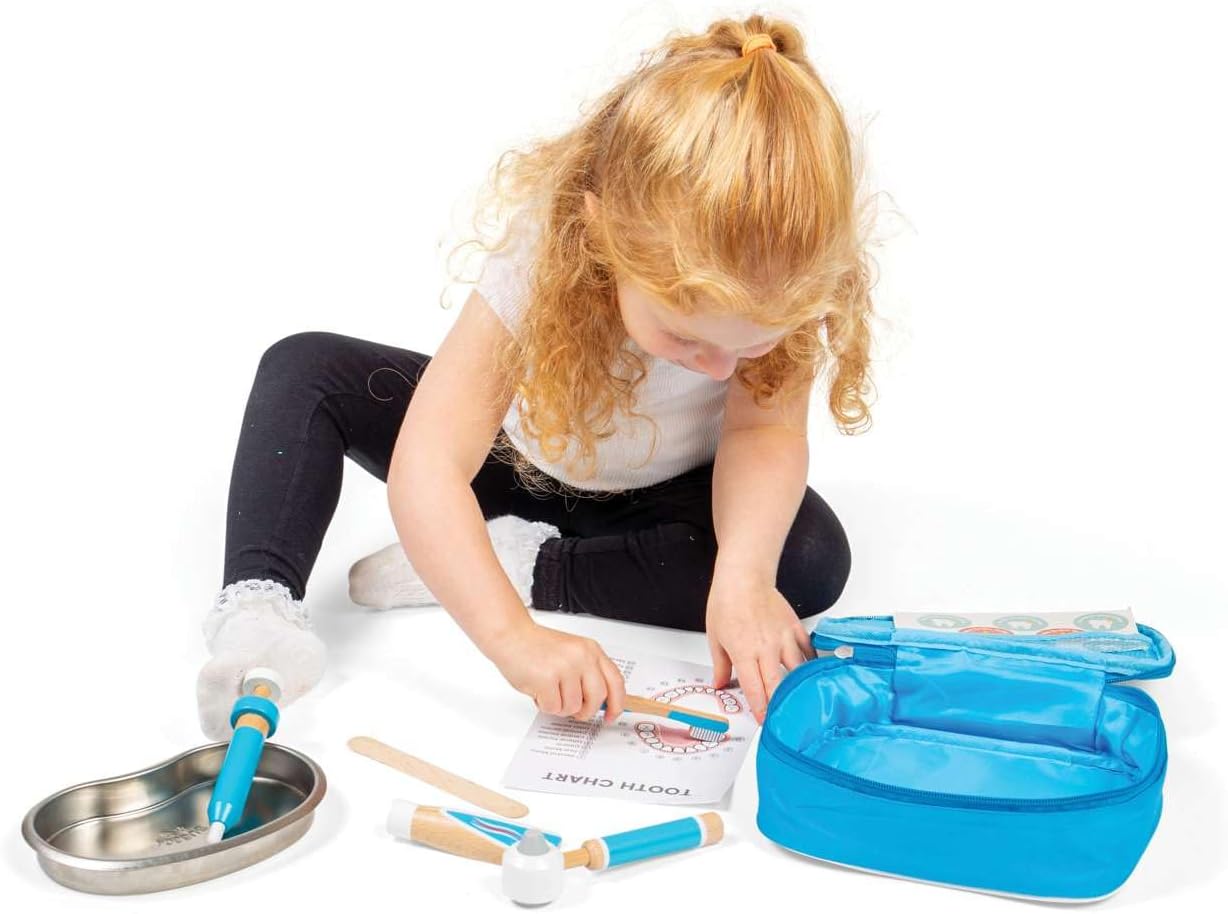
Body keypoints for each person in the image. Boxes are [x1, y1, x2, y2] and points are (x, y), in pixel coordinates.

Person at [196, 14, 876, 741]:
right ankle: (259, 611)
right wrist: (513, 641)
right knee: (305, 368)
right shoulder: (544, 248)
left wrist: (743, 578)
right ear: (601, 233)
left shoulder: (789, 277)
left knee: (806, 558)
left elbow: (763, 433)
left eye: (749, 346)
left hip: (664, 502)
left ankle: (526, 562)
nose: (720, 368)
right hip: (515, 462)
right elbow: (430, 463)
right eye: (685, 335)